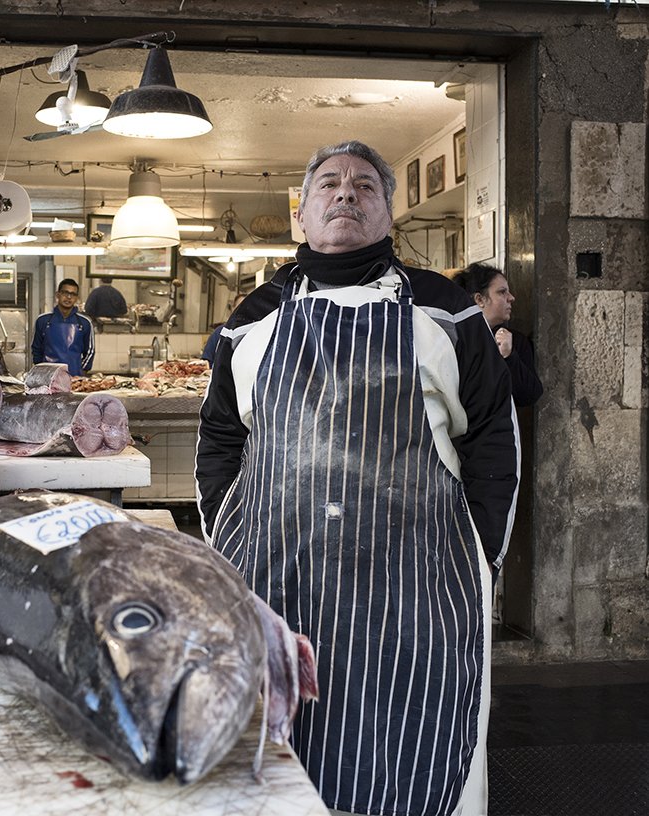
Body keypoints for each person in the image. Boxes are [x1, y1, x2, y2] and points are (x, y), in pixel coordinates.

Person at [195, 141, 519, 816]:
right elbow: (222, 435)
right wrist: (226, 550)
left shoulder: (445, 310)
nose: (347, 194)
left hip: (416, 594)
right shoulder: (253, 317)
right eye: (330, 185)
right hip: (279, 585)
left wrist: (480, 558)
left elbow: (492, 434)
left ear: (388, 212)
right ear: (302, 216)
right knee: (278, 760)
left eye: (366, 186)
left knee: (411, 757)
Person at [454, 262, 543, 407]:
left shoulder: (514, 341)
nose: (511, 297)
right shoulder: (455, 339)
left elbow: (530, 395)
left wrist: (509, 356)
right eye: (502, 292)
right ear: (480, 299)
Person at [31, 278, 94, 376]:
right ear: (58, 295)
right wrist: (42, 371)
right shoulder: (43, 320)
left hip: (74, 378)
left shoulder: (85, 323)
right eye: (65, 293)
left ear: (76, 298)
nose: (69, 297)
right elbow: (36, 348)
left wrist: (81, 371)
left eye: (73, 294)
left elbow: (90, 351)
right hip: (48, 377)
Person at [201, 292, 247, 366]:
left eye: (246, 308)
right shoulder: (220, 332)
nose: (243, 311)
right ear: (233, 308)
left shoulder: (253, 334)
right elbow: (205, 362)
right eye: (239, 306)